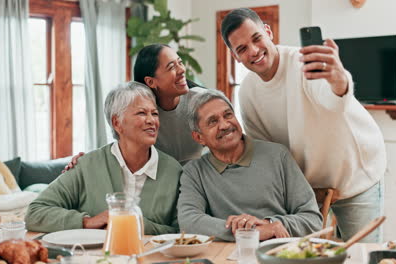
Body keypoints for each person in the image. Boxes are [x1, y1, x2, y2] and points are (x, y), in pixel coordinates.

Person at [220, 8, 386, 242]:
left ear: (268, 32)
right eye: (242, 49)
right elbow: (266, 153)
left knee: (362, 255)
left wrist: (338, 80)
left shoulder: (302, 63)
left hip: (355, 173)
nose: (254, 51)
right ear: (235, 57)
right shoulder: (247, 92)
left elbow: (333, 100)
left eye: (256, 38)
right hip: (307, 189)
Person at [26, 82, 182, 234]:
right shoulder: (87, 166)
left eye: (154, 113)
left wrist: (138, 224)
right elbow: (35, 212)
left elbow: (182, 230)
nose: (151, 120)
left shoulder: (174, 172)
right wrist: (86, 222)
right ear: (117, 123)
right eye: (142, 113)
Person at [177, 89, 322, 242]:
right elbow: (188, 222)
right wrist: (250, 233)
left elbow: (312, 219)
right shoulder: (194, 172)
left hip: (279, 252)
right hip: (226, 256)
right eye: (213, 121)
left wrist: (271, 224)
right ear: (199, 137)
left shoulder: (278, 155)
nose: (225, 125)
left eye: (228, 115)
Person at [63, 44, 205, 171]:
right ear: (150, 81)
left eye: (180, 63)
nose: (181, 70)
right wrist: (88, 161)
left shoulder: (203, 101)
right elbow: (125, 147)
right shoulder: (142, 113)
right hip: (160, 182)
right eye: (171, 67)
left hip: (198, 179)